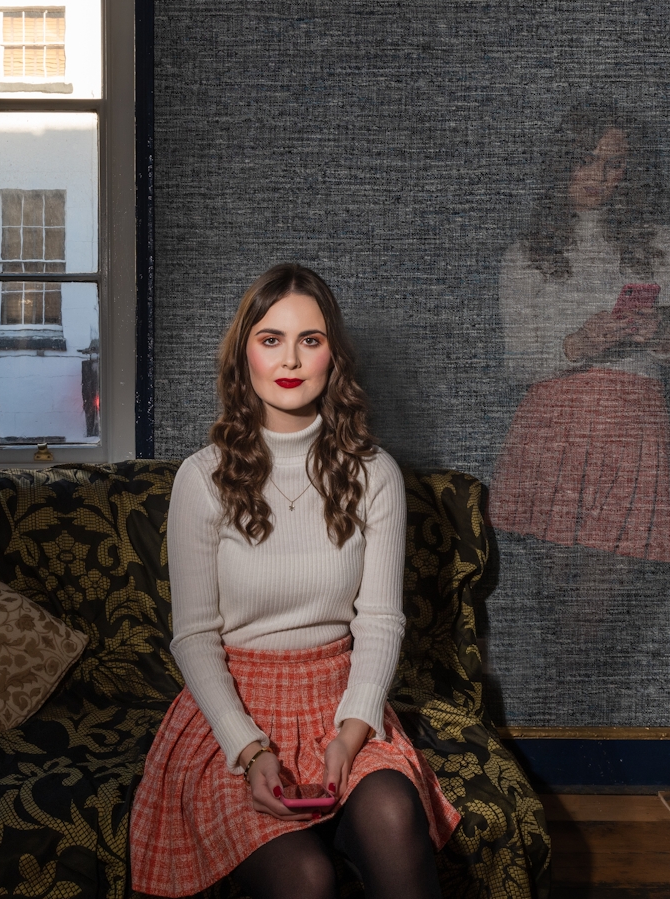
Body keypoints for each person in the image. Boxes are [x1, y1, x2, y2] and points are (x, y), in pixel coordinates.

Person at [128, 263, 459, 899]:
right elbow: (194, 637)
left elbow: (381, 619)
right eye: (271, 338)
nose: (290, 359)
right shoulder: (202, 479)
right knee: (306, 879)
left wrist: (352, 732)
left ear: (333, 357)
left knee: (393, 813)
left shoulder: (375, 474)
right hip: (234, 717)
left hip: (341, 705)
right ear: (243, 353)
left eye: (310, 339)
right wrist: (251, 752)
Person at [487, 106, 670, 713]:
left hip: (633, 426)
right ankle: (566, 727)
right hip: (555, 428)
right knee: (554, 600)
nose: (602, 176)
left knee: (596, 609)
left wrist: (659, 334)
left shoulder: (658, 245)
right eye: (588, 160)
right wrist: (580, 342)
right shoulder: (527, 254)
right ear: (562, 165)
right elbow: (518, 360)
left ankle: (577, 722)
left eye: (616, 163)